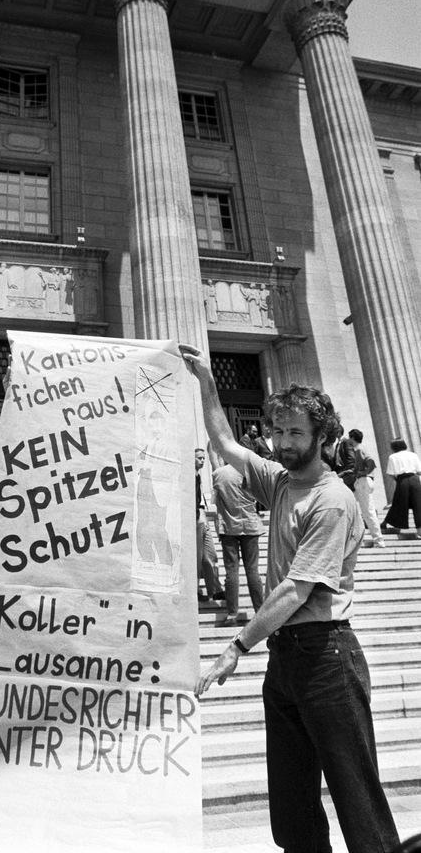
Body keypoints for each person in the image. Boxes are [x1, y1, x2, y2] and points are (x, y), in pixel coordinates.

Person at [180, 343, 399, 853]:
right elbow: (225, 443)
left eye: (295, 432)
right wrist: (207, 382)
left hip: (328, 657)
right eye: (278, 430)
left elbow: (297, 590)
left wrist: (236, 646)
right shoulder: (279, 481)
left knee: (357, 800)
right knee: (293, 806)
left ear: (324, 436)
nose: (282, 441)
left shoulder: (334, 500)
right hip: (287, 661)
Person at [212, 461, 265, 626]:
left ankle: (232, 614)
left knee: (231, 571)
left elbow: (215, 501)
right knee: (252, 571)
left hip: (229, 526)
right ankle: (260, 611)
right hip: (250, 524)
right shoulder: (250, 473)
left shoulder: (218, 474)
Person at [195, 447, 225, 604]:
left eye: (203, 458)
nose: (202, 461)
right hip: (195, 517)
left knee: (210, 554)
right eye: (199, 458)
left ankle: (215, 589)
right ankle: (196, 590)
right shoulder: (189, 477)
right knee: (197, 557)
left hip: (203, 515)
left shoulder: (198, 476)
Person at [348, 428, 385, 547]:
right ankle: (361, 538)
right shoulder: (361, 448)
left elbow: (371, 462)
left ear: (353, 438)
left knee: (368, 511)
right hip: (363, 481)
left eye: (350, 437)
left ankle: (379, 540)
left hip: (363, 481)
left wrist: (363, 473)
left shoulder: (359, 449)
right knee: (352, 506)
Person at [382, 438, 421, 538]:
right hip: (415, 479)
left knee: (398, 503)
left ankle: (393, 525)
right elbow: (419, 471)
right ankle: (420, 531)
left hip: (402, 480)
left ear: (394, 447)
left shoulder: (393, 457)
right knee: (418, 504)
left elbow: (390, 473)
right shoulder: (413, 455)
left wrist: (398, 480)